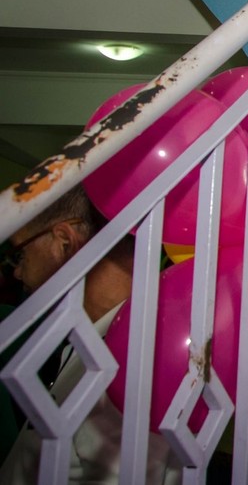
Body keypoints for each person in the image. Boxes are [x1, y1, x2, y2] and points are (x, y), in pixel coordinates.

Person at [0, 186, 180, 483]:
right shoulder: (95, 340)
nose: (18, 272)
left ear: (65, 243)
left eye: (20, 254)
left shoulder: (132, 361)